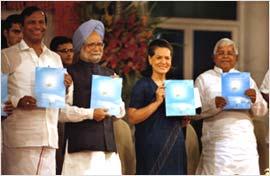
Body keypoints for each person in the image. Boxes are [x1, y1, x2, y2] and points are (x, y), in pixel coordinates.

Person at [1, 6, 74, 175]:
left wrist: (66, 86)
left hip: (49, 138)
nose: (37, 26)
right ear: (23, 26)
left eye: (41, 22)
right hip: (21, 138)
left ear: (46, 26)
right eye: (31, 22)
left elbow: (62, 100)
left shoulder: (54, 58)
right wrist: (16, 101)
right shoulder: (6, 56)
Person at [195, 38, 268, 175]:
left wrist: (254, 99)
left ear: (236, 58)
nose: (225, 56)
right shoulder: (204, 79)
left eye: (230, 53)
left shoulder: (246, 79)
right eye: (221, 53)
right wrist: (213, 105)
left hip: (245, 144)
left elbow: (262, 111)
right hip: (217, 143)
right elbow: (193, 112)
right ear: (214, 57)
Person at [61, 19, 125, 175]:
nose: (97, 48)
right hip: (81, 152)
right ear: (81, 47)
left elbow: (121, 112)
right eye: (91, 44)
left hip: (108, 152)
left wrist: (116, 93)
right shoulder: (68, 73)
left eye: (100, 44)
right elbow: (60, 113)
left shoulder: (110, 74)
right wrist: (91, 114)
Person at [128, 39, 187, 174]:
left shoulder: (176, 87)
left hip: (175, 145)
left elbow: (173, 119)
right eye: (158, 57)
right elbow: (132, 117)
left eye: (167, 58)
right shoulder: (142, 85)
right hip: (151, 148)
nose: (163, 62)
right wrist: (157, 102)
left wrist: (183, 120)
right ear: (150, 59)